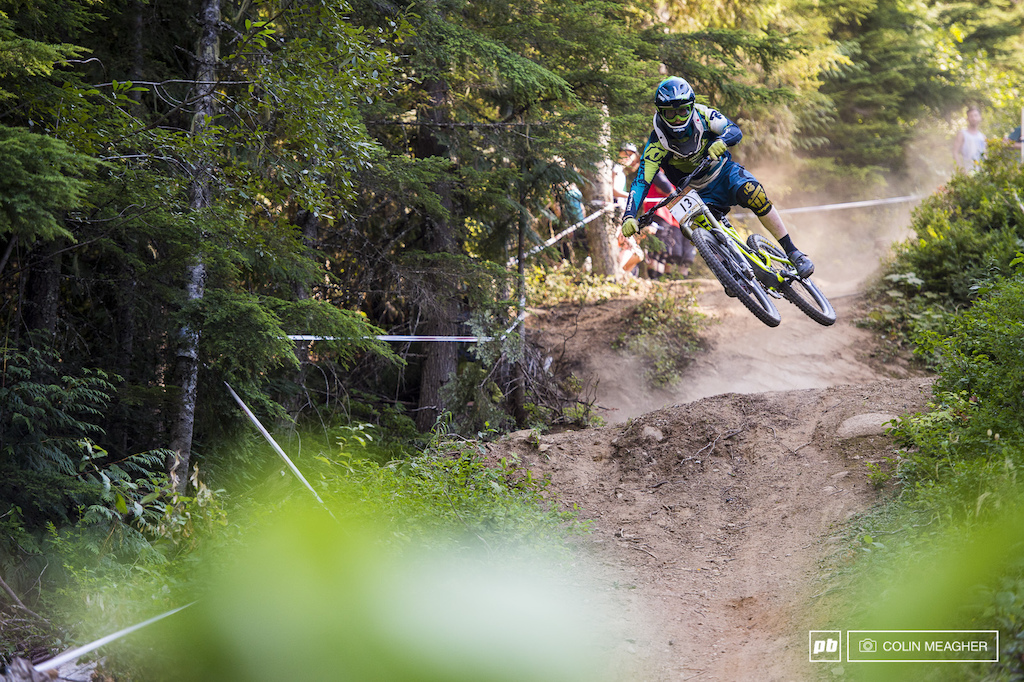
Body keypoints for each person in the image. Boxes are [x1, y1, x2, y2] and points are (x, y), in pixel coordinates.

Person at [620, 77, 814, 278]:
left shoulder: (704, 115)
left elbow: (734, 130)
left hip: (722, 172)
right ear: (660, 112)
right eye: (670, 112)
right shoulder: (656, 143)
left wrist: (722, 140)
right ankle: (728, 271)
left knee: (754, 194)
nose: (677, 118)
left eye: (682, 111)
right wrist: (629, 215)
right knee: (691, 228)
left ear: (691, 107)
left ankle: (793, 252)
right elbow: (641, 181)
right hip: (691, 190)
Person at [953, 105, 986, 171]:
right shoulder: (962, 134)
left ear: (980, 117)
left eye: (976, 115)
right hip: (967, 171)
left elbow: (985, 155)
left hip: (981, 173)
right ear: (967, 119)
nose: (974, 118)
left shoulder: (982, 137)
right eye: (971, 116)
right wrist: (961, 168)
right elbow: (955, 152)